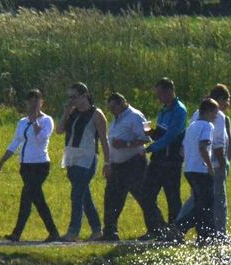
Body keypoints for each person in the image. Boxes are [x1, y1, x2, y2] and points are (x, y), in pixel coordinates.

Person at [0, 89, 60, 243]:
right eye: (30, 100)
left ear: (41, 102)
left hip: (40, 165)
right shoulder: (22, 122)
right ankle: (53, 232)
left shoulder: (47, 120)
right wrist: (2, 161)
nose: (33, 103)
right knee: (37, 200)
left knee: (26, 197)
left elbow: (42, 139)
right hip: (25, 166)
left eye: (36, 100)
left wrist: (35, 121)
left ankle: (16, 233)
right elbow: (15, 143)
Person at [177, 84, 231, 240]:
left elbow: (185, 144)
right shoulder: (216, 118)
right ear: (220, 100)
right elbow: (216, 144)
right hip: (209, 166)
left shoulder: (196, 116)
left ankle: (203, 234)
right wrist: (220, 164)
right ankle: (219, 233)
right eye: (227, 100)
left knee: (198, 199)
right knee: (215, 201)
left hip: (191, 166)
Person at [56, 82, 109, 242]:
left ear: (84, 95)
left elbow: (104, 140)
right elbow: (59, 130)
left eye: (74, 97)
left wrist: (108, 162)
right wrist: (66, 112)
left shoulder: (96, 114)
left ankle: (73, 231)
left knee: (77, 195)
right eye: (69, 98)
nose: (71, 101)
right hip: (72, 158)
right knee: (84, 195)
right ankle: (96, 229)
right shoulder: (73, 113)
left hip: (87, 158)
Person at [98, 92, 151, 242]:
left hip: (134, 163)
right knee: (111, 198)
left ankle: (156, 228)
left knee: (144, 196)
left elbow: (148, 136)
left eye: (114, 107)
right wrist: (108, 162)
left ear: (123, 103)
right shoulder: (116, 119)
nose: (112, 111)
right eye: (110, 109)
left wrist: (126, 144)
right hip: (117, 165)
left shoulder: (136, 115)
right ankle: (110, 232)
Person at [140, 78, 187, 241]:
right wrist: (150, 133)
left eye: (160, 93)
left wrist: (150, 148)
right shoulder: (163, 110)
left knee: (172, 197)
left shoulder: (179, 110)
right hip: (158, 159)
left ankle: (175, 233)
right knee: (146, 194)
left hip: (171, 161)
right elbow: (161, 135)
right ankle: (156, 228)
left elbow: (171, 136)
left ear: (169, 91)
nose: (158, 97)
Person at [176, 98, 218, 245]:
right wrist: (209, 166)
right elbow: (202, 146)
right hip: (201, 169)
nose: (216, 116)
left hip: (189, 169)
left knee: (201, 202)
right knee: (206, 204)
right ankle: (181, 225)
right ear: (208, 111)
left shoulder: (191, 126)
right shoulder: (208, 126)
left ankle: (204, 235)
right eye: (215, 112)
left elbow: (182, 151)